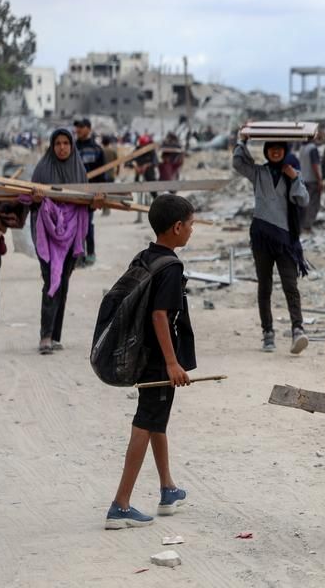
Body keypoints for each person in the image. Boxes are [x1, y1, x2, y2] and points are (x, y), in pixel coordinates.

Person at [105, 194, 196, 529]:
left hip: (143, 352)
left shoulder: (146, 256)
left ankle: (167, 488)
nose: (191, 230)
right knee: (145, 421)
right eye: (190, 224)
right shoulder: (172, 267)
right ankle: (121, 504)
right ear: (176, 227)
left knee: (157, 419)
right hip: (158, 359)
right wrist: (172, 363)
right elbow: (160, 315)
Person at [232, 135, 310, 355]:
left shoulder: (294, 173)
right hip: (262, 237)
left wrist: (294, 178)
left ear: (285, 151)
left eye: (279, 149)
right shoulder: (259, 173)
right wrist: (243, 141)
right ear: (266, 151)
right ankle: (268, 333)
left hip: (286, 240)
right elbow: (238, 163)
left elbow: (303, 200)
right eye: (272, 149)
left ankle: (297, 329)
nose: (276, 152)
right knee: (264, 286)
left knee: (290, 286)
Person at [29, 129, 105, 354]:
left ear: (72, 146)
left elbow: (85, 204)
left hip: (72, 235)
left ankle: (55, 335)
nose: (62, 147)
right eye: (58, 143)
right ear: (52, 146)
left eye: (66, 143)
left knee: (63, 281)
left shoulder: (79, 170)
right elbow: (30, 204)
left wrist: (95, 202)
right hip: (46, 233)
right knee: (50, 281)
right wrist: (35, 200)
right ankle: (45, 336)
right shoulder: (42, 169)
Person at [74, 118, 108, 266]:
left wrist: (100, 195)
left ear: (88, 128)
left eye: (81, 127)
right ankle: (78, 255)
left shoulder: (97, 150)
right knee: (74, 225)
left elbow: (102, 175)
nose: (78, 130)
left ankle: (90, 253)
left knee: (86, 223)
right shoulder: (72, 148)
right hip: (73, 193)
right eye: (77, 127)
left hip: (91, 194)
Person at [298, 133, 323, 232]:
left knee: (305, 203)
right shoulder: (312, 148)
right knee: (313, 204)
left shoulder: (302, 147)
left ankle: (303, 224)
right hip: (312, 180)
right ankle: (307, 225)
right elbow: (315, 165)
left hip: (303, 179)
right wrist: (319, 180)